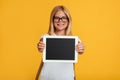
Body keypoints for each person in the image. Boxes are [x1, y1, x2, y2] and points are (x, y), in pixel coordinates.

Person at [37, 5, 85, 80]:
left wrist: (81, 49)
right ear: (52, 20)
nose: (60, 21)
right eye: (57, 18)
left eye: (64, 18)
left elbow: (81, 50)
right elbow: (40, 45)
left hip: (67, 78)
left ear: (68, 20)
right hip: (47, 78)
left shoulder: (75, 40)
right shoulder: (46, 37)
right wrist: (40, 46)